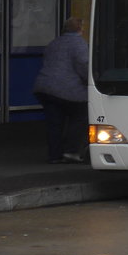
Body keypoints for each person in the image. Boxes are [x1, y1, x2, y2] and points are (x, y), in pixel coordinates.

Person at [33, 17, 90, 164]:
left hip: (44, 88)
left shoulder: (54, 43)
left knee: (54, 123)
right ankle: (71, 151)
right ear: (80, 29)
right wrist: (90, 80)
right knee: (80, 115)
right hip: (68, 89)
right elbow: (84, 65)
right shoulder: (79, 43)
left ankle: (54, 155)